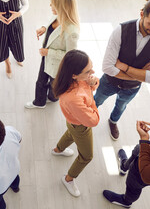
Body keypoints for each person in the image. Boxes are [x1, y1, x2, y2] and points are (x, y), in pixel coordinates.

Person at [94, 0, 150, 140]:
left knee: (121, 107)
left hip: (132, 88)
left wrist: (125, 67)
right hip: (109, 81)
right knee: (96, 100)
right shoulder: (121, 30)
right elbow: (107, 67)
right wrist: (141, 72)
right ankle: (87, 119)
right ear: (142, 14)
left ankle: (113, 122)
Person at [51, 50, 100, 197]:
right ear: (74, 75)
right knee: (86, 156)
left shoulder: (72, 80)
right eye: (88, 71)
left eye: (91, 67)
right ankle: (68, 179)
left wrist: (93, 83)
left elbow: (90, 86)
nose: (92, 72)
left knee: (70, 133)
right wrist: (93, 104)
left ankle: (57, 150)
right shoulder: (73, 98)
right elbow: (94, 121)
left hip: (72, 121)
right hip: (81, 126)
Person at [25, 0, 80, 109]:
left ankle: (51, 98)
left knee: (53, 84)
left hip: (58, 65)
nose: (50, 5)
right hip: (47, 59)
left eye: (53, 3)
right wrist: (44, 28)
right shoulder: (57, 15)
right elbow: (51, 23)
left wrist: (48, 52)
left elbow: (70, 56)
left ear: (62, 7)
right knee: (41, 81)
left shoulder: (72, 32)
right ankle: (40, 102)